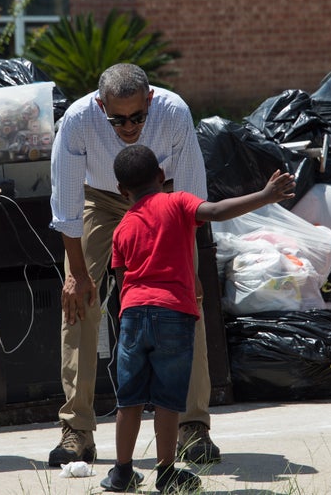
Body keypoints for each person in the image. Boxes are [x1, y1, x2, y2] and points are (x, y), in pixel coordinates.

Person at [48, 63, 220, 466]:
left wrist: (187, 269)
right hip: (101, 199)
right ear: (99, 104)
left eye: (137, 117)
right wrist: (77, 275)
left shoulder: (175, 111)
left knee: (184, 302)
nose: (128, 127)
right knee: (79, 304)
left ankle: (193, 426)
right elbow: (67, 205)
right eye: (117, 119)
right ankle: (77, 430)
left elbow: (193, 195)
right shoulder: (77, 120)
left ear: (150, 100)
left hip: (165, 198)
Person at [101, 145, 295, 492]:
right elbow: (218, 211)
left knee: (128, 400)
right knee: (168, 398)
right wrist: (265, 196)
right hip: (173, 314)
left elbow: (120, 280)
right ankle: (166, 471)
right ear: (162, 177)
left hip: (133, 316)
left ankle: (122, 471)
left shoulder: (122, 229)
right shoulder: (177, 202)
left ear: (121, 191)